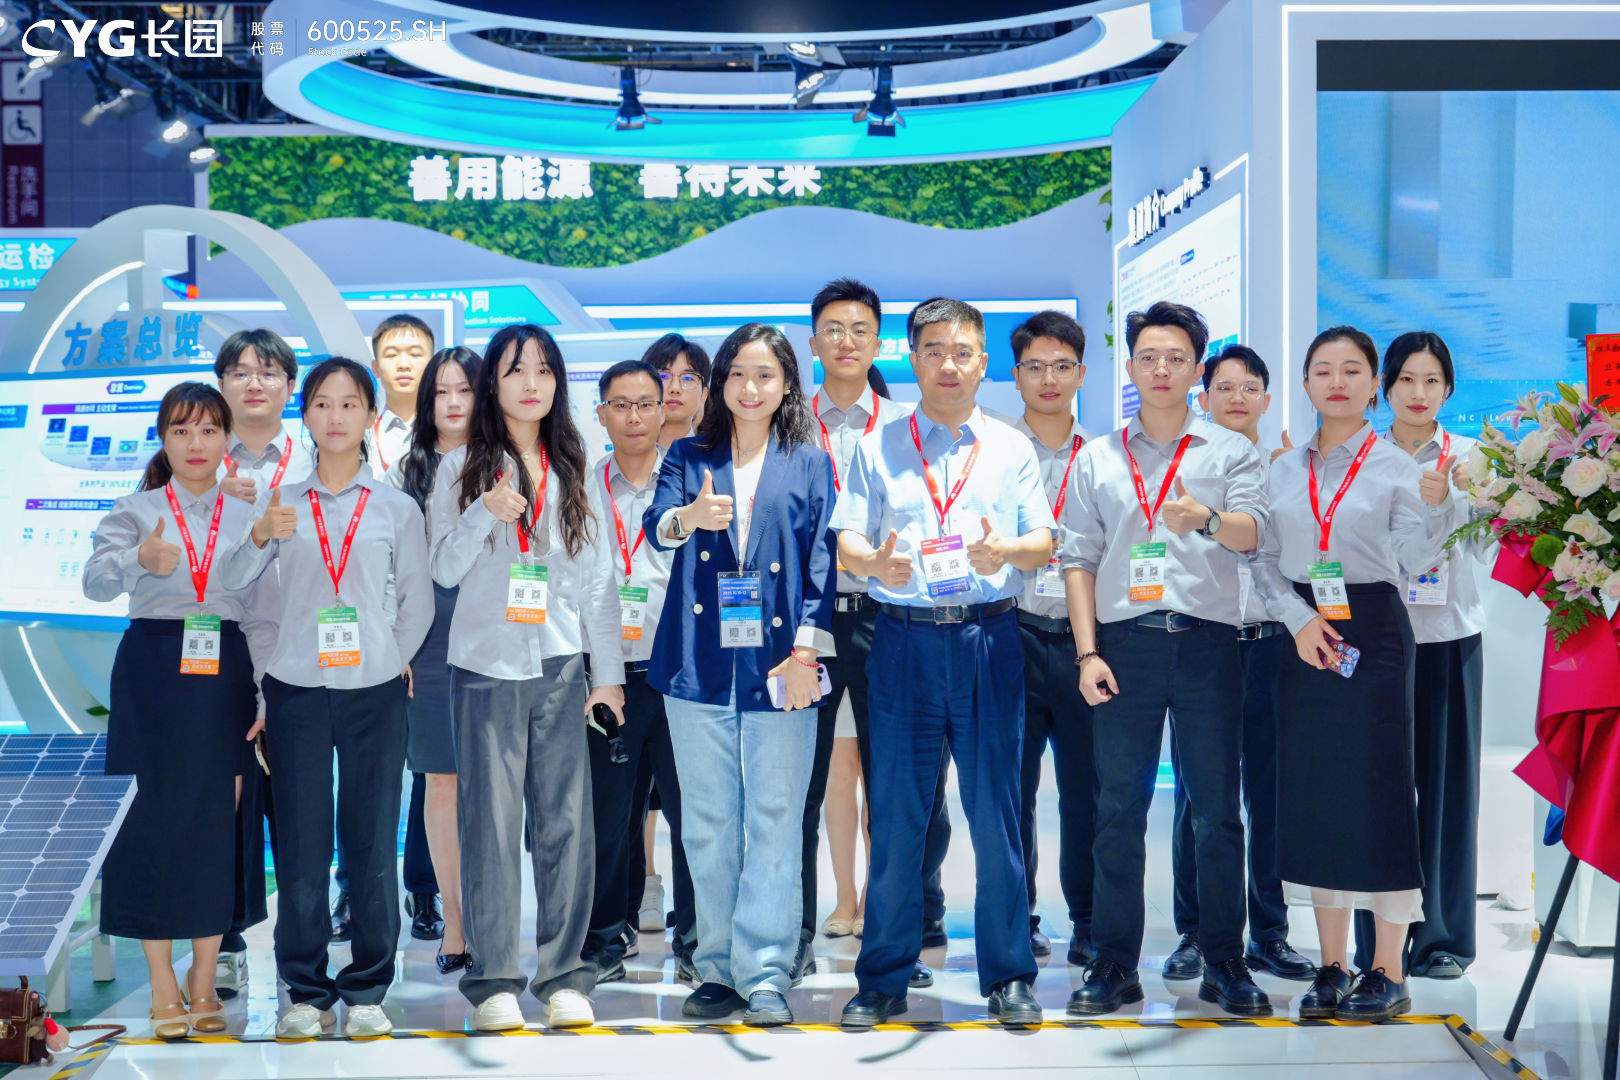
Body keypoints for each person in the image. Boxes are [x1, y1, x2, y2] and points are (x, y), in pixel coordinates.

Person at [834, 297, 1053, 1029]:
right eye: (933, 351)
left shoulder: (1012, 447)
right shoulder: (878, 447)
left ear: (983, 363)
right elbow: (848, 540)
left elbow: (1042, 542)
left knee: (997, 815)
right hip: (903, 642)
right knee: (898, 816)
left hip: (990, 639)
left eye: (962, 352)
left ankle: (1009, 976)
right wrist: (875, 565)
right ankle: (883, 976)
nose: (948, 365)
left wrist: (1005, 551)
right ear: (913, 359)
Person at [1061, 301, 1272, 1019]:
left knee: (1216, 812)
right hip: (1125, 646)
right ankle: (1114, 964)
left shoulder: (1229, 450)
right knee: (1118, 809)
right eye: (1148, 357)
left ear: (1196, 369)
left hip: (1209, 644)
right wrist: (1087, 652)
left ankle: (1225, 960)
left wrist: (1205, 518)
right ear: (1130, 367)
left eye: (1176, 358)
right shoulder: (1098, 457)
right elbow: (1079, 560)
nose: (1161, 369)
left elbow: (1253, 535)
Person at [216, 358, 433, 1039]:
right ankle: (305, 993)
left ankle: (368, 989)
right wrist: (260, 533)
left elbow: (417, 601)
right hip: (297, 690)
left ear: (370, 415)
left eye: (349, 404)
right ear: (305, 415)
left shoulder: (395, 507)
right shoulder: (280, 501)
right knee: (302, 847)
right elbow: (235, 582)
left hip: (375, 689)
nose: (335, 416)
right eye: (322, 404)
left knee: (370, 843)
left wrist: (390, 658)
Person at [1250, 325, 1455, 1022]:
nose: (1336, 381)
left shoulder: (1398, 467)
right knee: (1316, 796)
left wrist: (1437, 505)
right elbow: (1263, 560)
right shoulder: (1282, 469)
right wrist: (1296, 619)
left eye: (1351, 369)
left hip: (1373, 633)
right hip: (1303, 632)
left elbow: (1417, 557)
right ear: (1306, 383)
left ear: (1374, 385)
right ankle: (1332, 965)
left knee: (1381, 793)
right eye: (1322, 370)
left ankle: (1389, 970)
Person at [428, 323, 626, 1033]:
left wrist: (607, 676)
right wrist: (483, 513)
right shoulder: (460, 466)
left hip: (561, 662)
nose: (532, 383)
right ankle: (494, 982)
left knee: (566, 823)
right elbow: (442, 568)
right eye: (516, 370)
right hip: (486, 664)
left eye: (544, 370)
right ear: (494, 383)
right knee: (489, 824)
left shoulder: (574, 463)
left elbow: (598, 580)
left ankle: (565, 976)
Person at [644, 323, 837, 1027]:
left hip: (784, 663)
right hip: (697, 662)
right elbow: (655, 527)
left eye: (765, 375)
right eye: (737, 375)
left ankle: (766, 973)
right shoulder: (688, 454)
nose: (750, 388)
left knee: (777, 819)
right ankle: (717, 966)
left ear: (786, 384)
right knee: (706, 822)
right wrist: (688, 517)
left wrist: (807, 652)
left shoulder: (809, 462)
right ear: (720, 383)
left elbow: (822, 562)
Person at [84, 383, 272, 1039]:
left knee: (218, 824)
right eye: (181, 431)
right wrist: (137, 558)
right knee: (151, 824)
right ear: (163, 439)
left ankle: (205, 980)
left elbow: (262, 612)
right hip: (153, 671)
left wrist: (265, 692)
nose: (196, 444)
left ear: (227, 439)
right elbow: (94, 582)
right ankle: (162, 983)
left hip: (225, 671)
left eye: (209, 430)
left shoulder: (248, 512)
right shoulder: (134, 510)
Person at [800, 278, 945, 991]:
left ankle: (897, 941)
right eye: (833, 329)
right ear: (813, 341)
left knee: (895, 784)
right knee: (802, 781)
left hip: (889, 617)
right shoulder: (788, 423)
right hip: (807, 619)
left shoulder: (909, 426)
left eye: (860, 329)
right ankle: (795, 936)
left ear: (879, 342)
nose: (846, 341)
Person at [1164, 346, 1316, 983]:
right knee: (1200, 797)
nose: (1236, 398)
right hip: (1208, 644)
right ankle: (1196, 933)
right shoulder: (1187, 466)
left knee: (1271, 793)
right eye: (1223, 387)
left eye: (1249, 387)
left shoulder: (1289, 472)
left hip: (1273, 643)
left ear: (1267, 399)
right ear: (1204, 396)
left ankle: (1270, 934)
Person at [1367, 330, 1482, 980]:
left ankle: (1442, 939)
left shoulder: (1472, 457)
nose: (1418, 392)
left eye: (1431, 380)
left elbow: (1491, 548)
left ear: (1448, 389)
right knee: (1377, 792)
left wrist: (1466, 498)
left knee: (1447, 794)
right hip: (1379, 640)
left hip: (1450, 637)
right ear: (1385, 388)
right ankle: (1377, 942)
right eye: (1406, 378)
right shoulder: (1364, 457)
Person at [582, 358, 697, 986]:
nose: (633, 417)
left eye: (645, 404)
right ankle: (606, 938)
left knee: (690, 814)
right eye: (620, 405)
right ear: (601, 413)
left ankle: (696, 940)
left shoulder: (687, 483)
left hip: (678, 672)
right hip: (605, 672)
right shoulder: (580, 484)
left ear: (663, 410)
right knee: (609, 817)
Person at [211, 328, 310, 999]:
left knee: (299, 812)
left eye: (269, 371)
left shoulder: (316, 460)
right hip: (216, 653)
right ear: (221, 383)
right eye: (241, 371)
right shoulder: (193, 459)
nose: (254, 382)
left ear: (289, 386)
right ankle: (225, 939)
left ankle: (304, 957)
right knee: (223, 809)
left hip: (302, 652)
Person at [382, 346, 482, 975]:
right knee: (441, 780)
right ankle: (456, 924)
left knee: (496, 786)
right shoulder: (407, 472)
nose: (452, 402)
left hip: (504, 632)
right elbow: (390, 569)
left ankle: (493, 916)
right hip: (431, 639)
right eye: (441, 391)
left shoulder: (507, 462)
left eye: (464, 389)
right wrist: (401, 647)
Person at [1004, 310, 1098, 967]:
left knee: (1088, 790)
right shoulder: (992, 454)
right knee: (1012, 792)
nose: (1048, 378)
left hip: (1085, 643)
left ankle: (1089, 921)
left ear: (1081, 374)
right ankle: (1020, 918)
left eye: (1062, 366)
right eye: (1035, 366)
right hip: (1010, 635)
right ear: (1016, 376)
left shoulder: (1106, 457)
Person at [366, 313, 444, 944]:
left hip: (430, 624)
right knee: (366, 766)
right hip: (362, 621)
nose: (404, 362)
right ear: (376, 364)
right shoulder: (352, 432)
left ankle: (424, 889)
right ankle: (356, 889)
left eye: (416, 351)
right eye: (392, 352)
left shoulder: (455, 437)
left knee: (429, 766)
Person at [369, 314, 434, 471]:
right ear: (375, 368)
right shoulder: (361, 436)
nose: (404, 364)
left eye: (415, 354)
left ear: (432, 364)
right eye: (391, 355)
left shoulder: (449, 431)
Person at [644, 333, 712, 449]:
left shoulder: (720, 457)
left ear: (703, 396)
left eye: (688, 378)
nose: (674, 388)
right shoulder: (622, 456)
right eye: (663, 376)